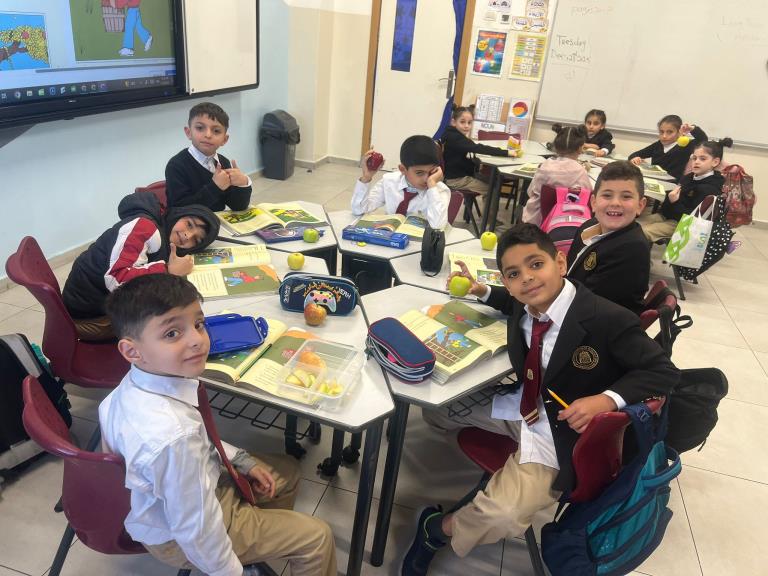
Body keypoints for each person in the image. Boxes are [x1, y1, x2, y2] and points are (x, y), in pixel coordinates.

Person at [402, 224, 679, 575]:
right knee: (436, 410)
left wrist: (606, 400)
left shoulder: (608, 318)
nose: (528, 279)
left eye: (536, 265)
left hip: (560, 432)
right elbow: (511, 302)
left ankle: (435, 529)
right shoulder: (527, 303)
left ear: (560, 263)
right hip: (525, 405)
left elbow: (663, 371)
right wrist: (482, 290)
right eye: (514, 274)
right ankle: (498, 471)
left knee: (502, 515)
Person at [99, 274, 337, 576]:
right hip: (181, 536)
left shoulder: (139, 383)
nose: (197, 339)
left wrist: (241, 460)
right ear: (132, 351)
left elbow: (196, 441)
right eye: (172, 333)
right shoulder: (173, 436)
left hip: (189, 495)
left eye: (198, 324)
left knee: (286, 470)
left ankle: (256, 544)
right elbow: (195, 528)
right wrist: (229, 570)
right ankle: (246, 555)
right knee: (317, 538)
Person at [62, 191, 218, 341]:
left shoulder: (163, 235)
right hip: (90, 314)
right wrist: (168, 270)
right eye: (189, 224)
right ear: (179, 214)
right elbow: (116, 279)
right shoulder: (146, 227)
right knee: (178, 324)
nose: (187, 236)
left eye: (196, 240)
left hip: (98, 301)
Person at [567, 161, 649, 315]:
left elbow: (590, 305)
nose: (615, 203)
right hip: (573, 305)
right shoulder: (588, 227)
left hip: (596, 322)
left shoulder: (631, 249)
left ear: (640, 205)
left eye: (626, 196)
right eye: (607, 195)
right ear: (593, 202)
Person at [638, 138, 732, 242]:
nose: (696, 162)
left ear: (715, 162)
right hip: (668, 215)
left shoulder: (710, 188)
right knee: (632, 225)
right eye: (694, 158)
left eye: (702, 159)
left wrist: (674, 202)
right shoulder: (689, 177)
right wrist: (669, 199)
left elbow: (692, 219)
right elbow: (670, 205)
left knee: (641, 232)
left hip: (683, 224)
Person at [166, 102, 252, 212]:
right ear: (188, 133)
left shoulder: (223, 162)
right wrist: (215, 187)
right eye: (200, 128)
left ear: (224, 140)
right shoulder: (176, 165)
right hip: (188, 221)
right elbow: (181, 209)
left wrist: (243, 183)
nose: (208, 135)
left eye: (216, 131)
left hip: (217, 220)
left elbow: (238, 206)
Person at [353, 135, 451, 229]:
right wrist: (366, 178)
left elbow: (438, 226)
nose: (426, 178)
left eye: (431, 172)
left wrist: (432, 185)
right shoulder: (389, 181)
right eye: (420, 173)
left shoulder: (439, 190)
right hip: (388, 236)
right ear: (403, 169)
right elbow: (359, 210)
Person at [522, 124, 592, 226]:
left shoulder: (545, 166)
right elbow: (587, 196)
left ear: (555, 147)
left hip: (536, 220)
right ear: (580, 148)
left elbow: (531, 191)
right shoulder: (581, 171)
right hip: (563, 222)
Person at [440, 105, 514, 195]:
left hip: (459, 175)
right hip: (456, 180)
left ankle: (480, 203)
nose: (466, 126)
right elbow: (478, 148)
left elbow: (473, 147)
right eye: (462, 122)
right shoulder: (455, 138)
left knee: (493, 182)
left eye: (469, 123)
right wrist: (506, 152)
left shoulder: (453, 134)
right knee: (493, 188)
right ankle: (487, 204)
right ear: (453, 122)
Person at [628, 115, 707, 182]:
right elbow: (634, 155)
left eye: (670, 132)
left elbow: (703, 140)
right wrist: (635, 158)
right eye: (661, 132)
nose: (664, 136)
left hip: (673, 184)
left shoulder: (685, 145)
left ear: (679, 132)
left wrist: (692, 128)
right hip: (654, 181)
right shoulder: (658, 145)